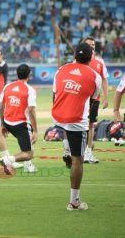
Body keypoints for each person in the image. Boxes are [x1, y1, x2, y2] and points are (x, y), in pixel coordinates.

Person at [52, 43, 102, 211]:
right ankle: (74, 202)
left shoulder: (61, 70)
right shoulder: (95, 77)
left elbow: (55, 93)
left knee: (66, 125)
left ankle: (65, 147)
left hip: (58, 115)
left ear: (75, 55)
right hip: (76, 121)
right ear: (91, 57)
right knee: (78, 160)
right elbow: (93, 101)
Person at [0, 64, 38, 173]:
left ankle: (28, 165)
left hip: (7, 122)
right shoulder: (30, 90)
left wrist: (3, 124)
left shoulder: (7, 86)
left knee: (26, 141)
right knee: (29, 152)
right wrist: (35, 130)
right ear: (29, 75)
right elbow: (31, 110)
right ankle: (9, 160)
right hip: (20, 124)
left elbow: (1, 107)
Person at [83, 37, 109, 163]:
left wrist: (106, 97)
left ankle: (88, 152)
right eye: (89, 44)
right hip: (81, 98)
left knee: (91, 124)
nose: (92, 46)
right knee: (80, 123)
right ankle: (78, 151)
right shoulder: (78, 60)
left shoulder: (100, 61)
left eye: (93, 44)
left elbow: (104, 79)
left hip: (95, 99)